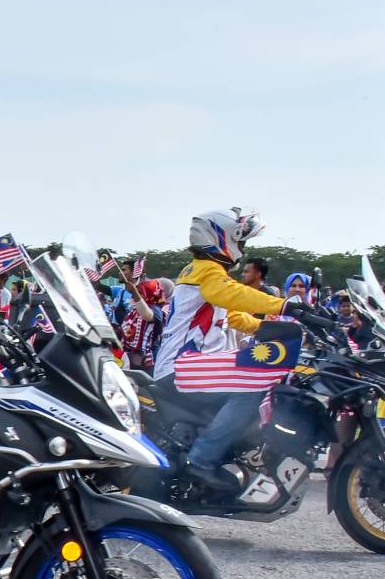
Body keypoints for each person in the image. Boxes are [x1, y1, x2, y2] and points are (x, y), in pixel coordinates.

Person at [151, 208, 292, 494]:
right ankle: (201, 460)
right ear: (221, 237)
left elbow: (235, 318)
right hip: (182, 368)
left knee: (256, 376)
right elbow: (233, 294)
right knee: (252, 386)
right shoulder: (208, 273)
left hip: (190, 367)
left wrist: (275, 328)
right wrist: (283, 305)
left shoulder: (205, 273)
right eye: (240, 241)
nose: (242, 248)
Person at [118, 275, 167, 373]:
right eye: (137, 293)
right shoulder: (133, 312)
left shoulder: (156, 310)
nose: (134, 297)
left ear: (150, 293)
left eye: (141, 293)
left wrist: (134, 292)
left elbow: (147, 316)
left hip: (146, 361)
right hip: (129, 357)